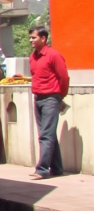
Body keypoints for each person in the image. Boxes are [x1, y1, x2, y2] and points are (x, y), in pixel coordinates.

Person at [28, 26, 69, 180]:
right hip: (38, 97)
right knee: (48, 134)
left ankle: (42, 169)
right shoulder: (33, 57)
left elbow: (63, 77)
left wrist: (61, 97)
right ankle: (57, 168)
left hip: (51, 98)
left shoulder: (54, 55)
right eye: (30, 38)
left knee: (45, 135)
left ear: (43, 39)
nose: (31, 40)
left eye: (34, 37)